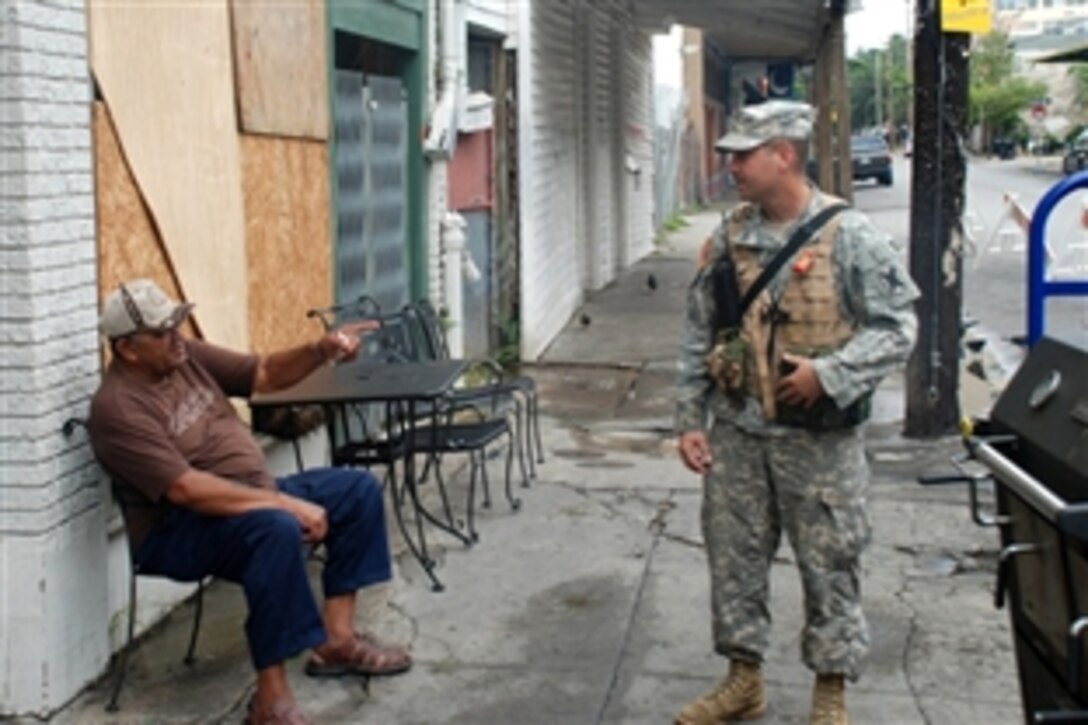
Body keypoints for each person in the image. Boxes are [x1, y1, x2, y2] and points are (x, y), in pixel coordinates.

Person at [674, 101, 919, 725]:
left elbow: (898, 328)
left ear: (784, 154)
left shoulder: (851, 235)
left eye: (743, 155)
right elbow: (699, 330)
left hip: (819, 446)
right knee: (733, 561)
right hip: (737, 434)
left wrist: (828, 374)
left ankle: (830, 694)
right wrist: (688, 420)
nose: (731, 166)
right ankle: (743, 680)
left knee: (830, 564)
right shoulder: (730, 236)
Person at [88, 279, 412, 725]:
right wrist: (283, 506)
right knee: (274, 531)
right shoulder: (118, 409)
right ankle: (270, 703)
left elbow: (262, 374)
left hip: (254, 496)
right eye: (163, 331)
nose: (177, 336)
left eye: (178, 322)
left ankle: (336, 643)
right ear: (128, 349)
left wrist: (321, 351)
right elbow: (184, 489)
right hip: (179, 529)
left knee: (356, 490)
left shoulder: (185, 358)